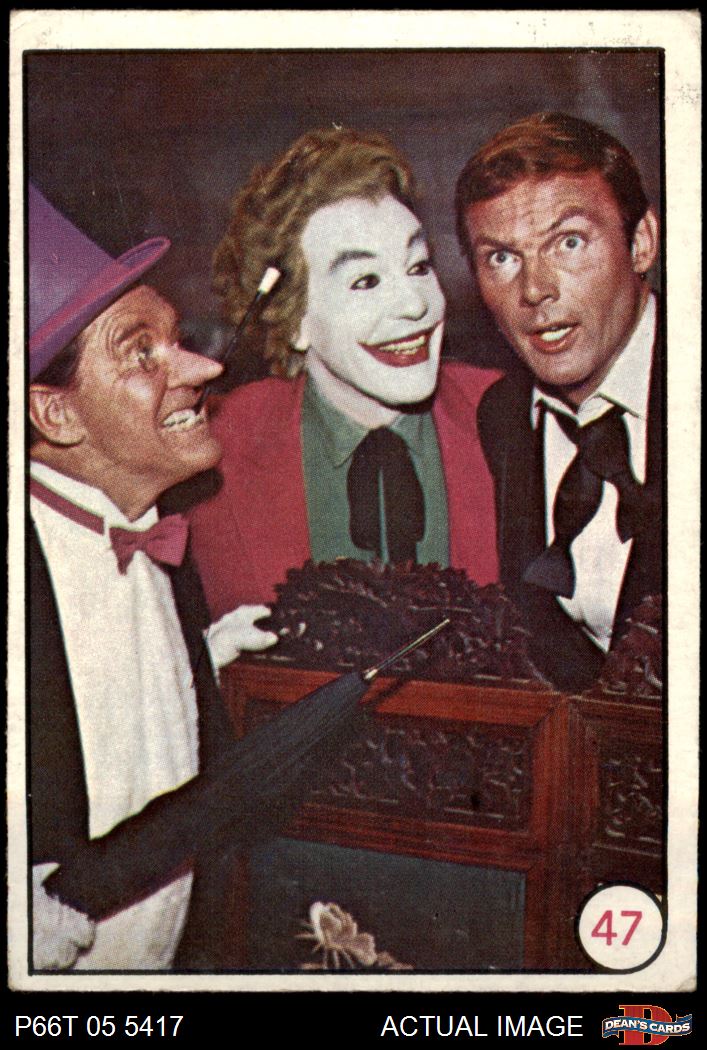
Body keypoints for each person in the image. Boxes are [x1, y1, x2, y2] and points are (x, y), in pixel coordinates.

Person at [27, 184, 368, 972]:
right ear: (57, 415)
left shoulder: (168, 544)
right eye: (141, 352)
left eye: (176, 339)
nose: (206, 367)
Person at [188, 128, 500, 618]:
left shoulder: (511, 417)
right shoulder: (211, 447)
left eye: (418, 267)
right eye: (366, 281)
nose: (415, 305)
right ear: (295, 319)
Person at [455, 112, 661, 691]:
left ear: (641, 242)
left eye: (569, 243)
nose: (535, 290)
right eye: (502, 258)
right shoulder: (502, 416)